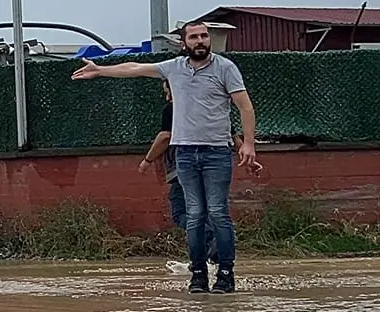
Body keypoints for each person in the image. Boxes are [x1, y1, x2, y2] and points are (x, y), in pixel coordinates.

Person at [75, 21, 257, 293]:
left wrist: (248, 144)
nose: (200, 41)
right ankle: (198, 275)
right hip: (185, 153)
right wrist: (101, 70)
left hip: (216, 152)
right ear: (184, 43)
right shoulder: (174, 68)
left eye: (204, 36)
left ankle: (225, 274)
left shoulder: (225, 68)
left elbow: (245, 106)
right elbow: (135, 68)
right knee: (194, 215)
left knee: (218, 212)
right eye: (194, 37)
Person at [141, 81, 261, 268]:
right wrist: (249, 160)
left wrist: (147, 160)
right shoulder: (212, 107)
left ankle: (212, 240)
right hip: (214, 167)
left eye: (168, 92)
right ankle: (211, 255)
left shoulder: (174, 108)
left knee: (182, 213)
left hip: (184, 168)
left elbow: (165, 137)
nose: (167, 97)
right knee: (211, 211)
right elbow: (233, 137)